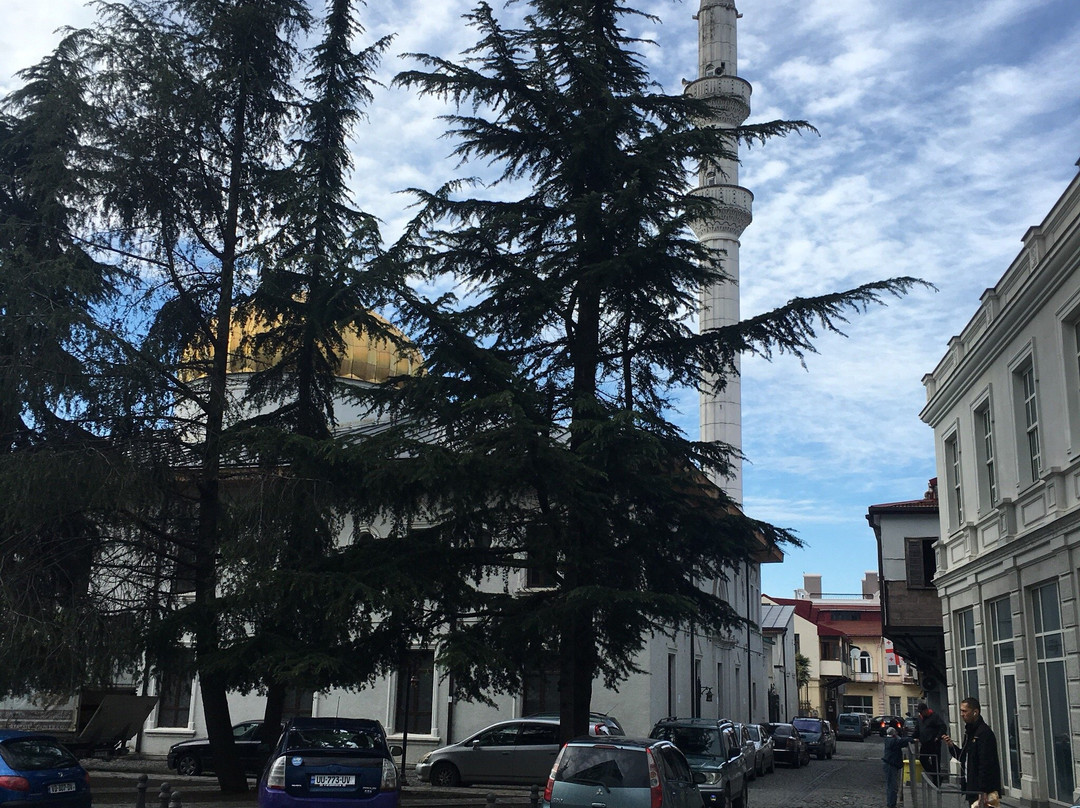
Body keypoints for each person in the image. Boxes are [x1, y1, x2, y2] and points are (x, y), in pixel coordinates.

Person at [942, 697, 1002, 806]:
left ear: (975, 712)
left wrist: (983, 790)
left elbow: (986, 764)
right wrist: (951, 746)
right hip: (971, 786)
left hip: (982, 789)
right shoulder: (970, 732)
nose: (962, 714)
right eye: (961, 711)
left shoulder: (983, 733)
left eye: (965, 711)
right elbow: (964, 757)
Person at [915, 701, 948, 786]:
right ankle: (935, 776)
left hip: (934, 743)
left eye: (921, 712)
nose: (920, 713)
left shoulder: (934, 716)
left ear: (926, 710)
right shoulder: (920, 718)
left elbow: (943, 727)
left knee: (935, 762)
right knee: (923, 760)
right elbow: (917, 729)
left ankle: (937, 782)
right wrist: (914, 737)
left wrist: (938, 737)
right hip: (925, 743)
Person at [883, 726, 915, 808]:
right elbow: (901, 741)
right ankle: (891, 804)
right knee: (892, 786)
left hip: (890, 764)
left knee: (891, 785)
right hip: (891, 765)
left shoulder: (889, 740)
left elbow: (900, 741)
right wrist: (912, 739)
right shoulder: (892, 741)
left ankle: (891, 803)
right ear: (894, 734)